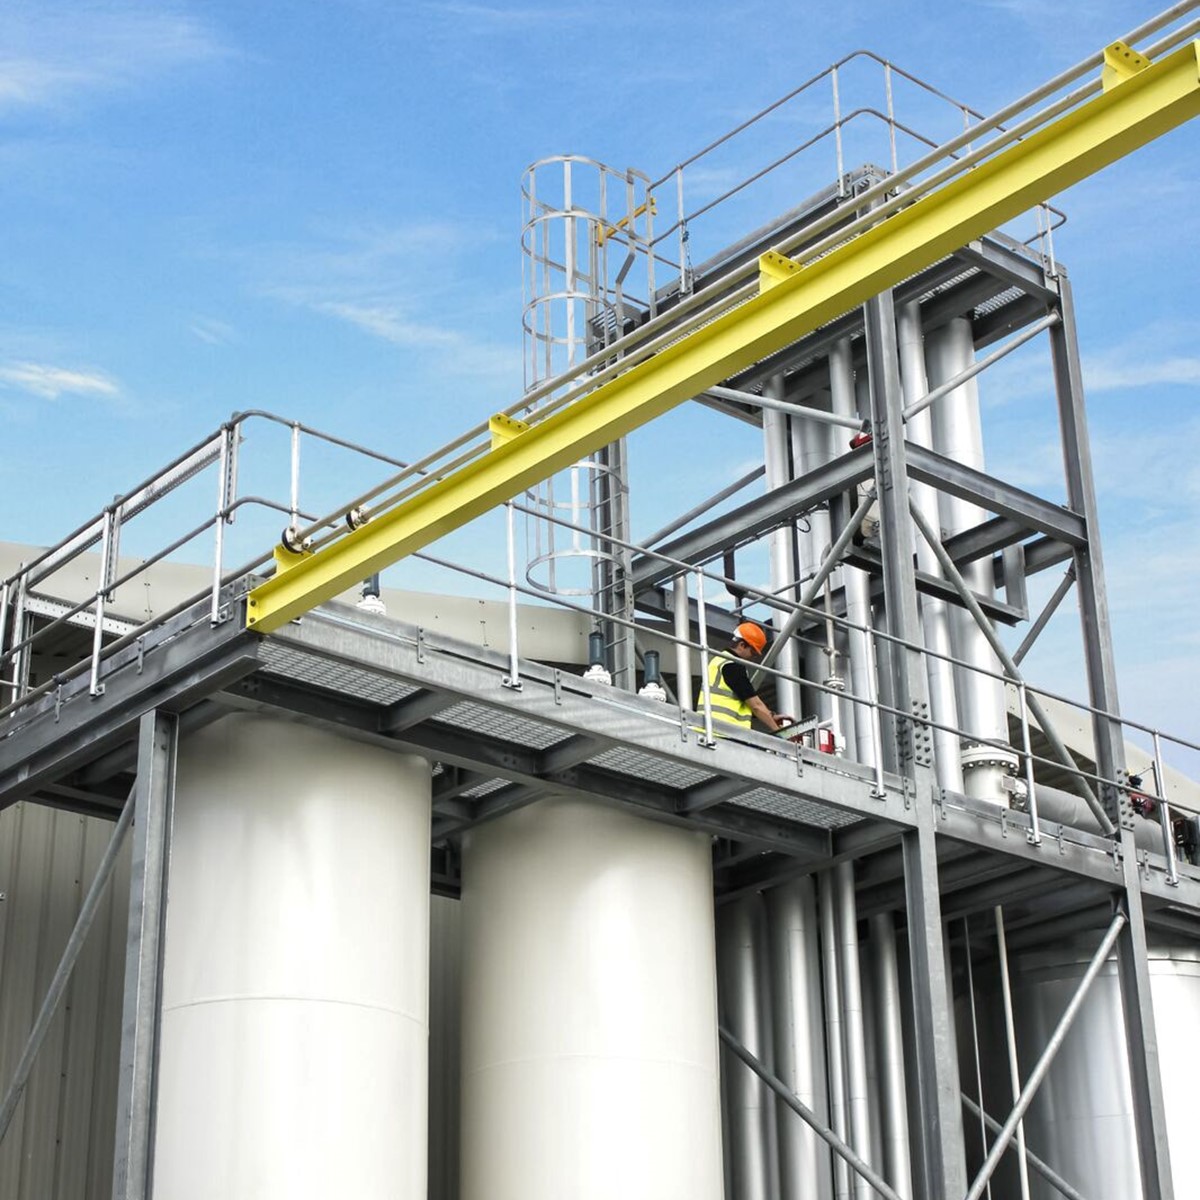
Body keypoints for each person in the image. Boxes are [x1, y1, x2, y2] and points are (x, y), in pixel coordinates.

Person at [700, 621, 790, 733]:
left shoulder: (719, 661)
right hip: (723, 731)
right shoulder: (732, 666)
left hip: (713, 728)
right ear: (742, 645)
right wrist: (779, 732)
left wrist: (771, 716)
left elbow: (740, 701)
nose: (753, 657)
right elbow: (756, 705)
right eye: (753, 652)